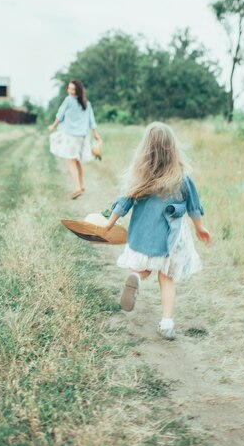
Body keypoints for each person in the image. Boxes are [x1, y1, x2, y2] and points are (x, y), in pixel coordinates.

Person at [104, 122, 211, 340]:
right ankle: (167, 324)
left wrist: (109, 223)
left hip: (145, 234)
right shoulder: (182, 177)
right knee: (166, 278)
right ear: (173, 149)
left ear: (145, 149)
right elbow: (193, 206)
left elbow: (123, 203)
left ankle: (135, 277)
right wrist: (200, 228)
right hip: (170, 239)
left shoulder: (139, 176)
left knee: (143, 268)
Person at [48, 79, 101, 199]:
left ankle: (77, 188)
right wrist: (95, 134)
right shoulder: (86, 102)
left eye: (72, 89)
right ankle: (81, 186)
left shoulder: (68, 100)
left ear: (78, 90)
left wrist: (52, 126)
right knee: (77, 161)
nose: (70, 91)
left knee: (71, 161)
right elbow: (92, 120)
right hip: (82, 137)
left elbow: (59, 115)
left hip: (72, 136)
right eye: (69, 88)